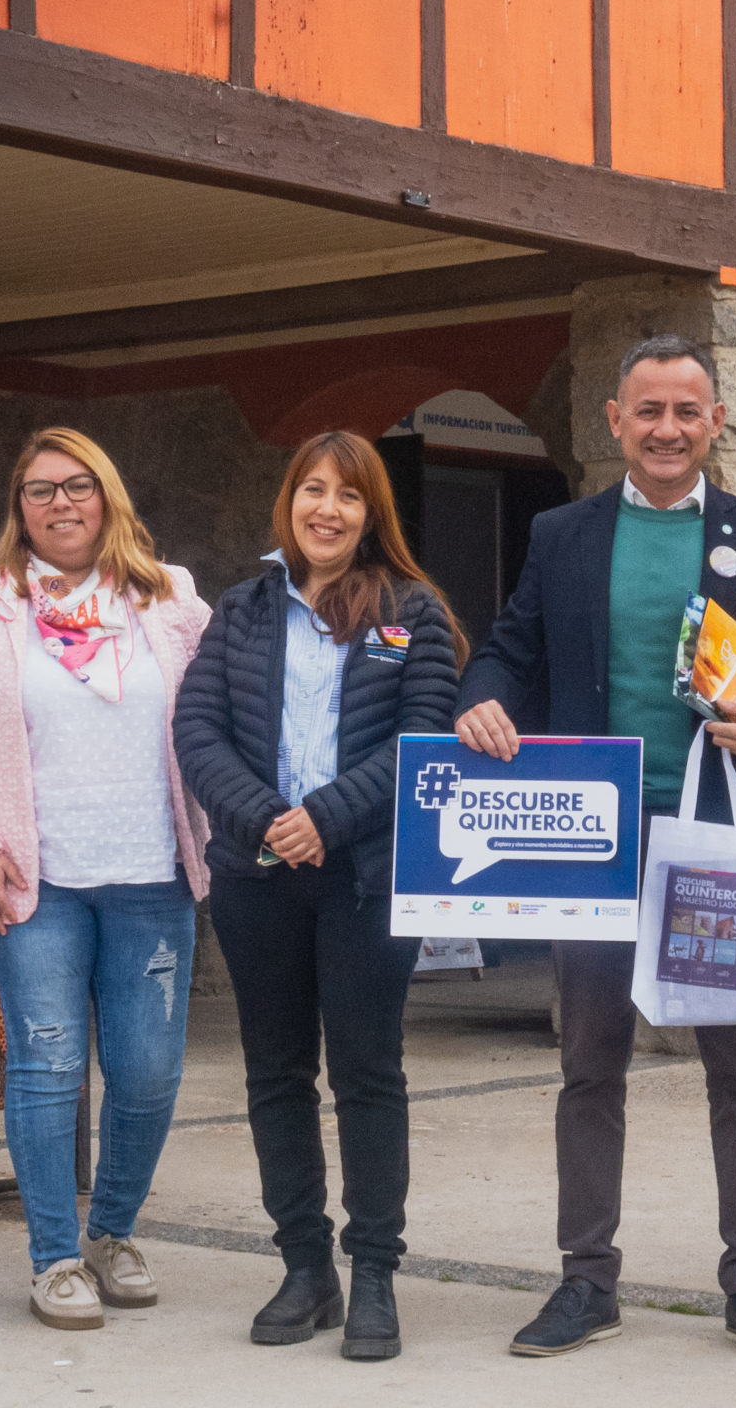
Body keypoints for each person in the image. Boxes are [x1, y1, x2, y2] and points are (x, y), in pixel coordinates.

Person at [456, 335, 736, 1366]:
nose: (666, 430)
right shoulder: (562, 534)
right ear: (616, 422)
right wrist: (481, 696)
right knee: (590, 1062)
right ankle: (587, 1280)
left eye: (686, 412)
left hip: (713, 835)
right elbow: (510, 646)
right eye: (648, 411)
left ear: (714, 423)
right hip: (594, 839)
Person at [0, 428, 212, 1331]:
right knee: (48, 1066)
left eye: (78, 487)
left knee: (149, 1073)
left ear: (108, 497)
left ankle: (111, 1233)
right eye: (40, 491)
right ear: (20, 509)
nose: (61, 504)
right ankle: (52, 1257)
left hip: (153, 873)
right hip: (32, 883)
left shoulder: (170, 601)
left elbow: (225, 707)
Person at [173, 431, 464, 1362]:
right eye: (311, 490)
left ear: (371, 512)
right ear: (288, 503)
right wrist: (266, 819)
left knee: (369, 1074)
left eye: (347, 495)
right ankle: (306, 1268)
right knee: (276, 1074)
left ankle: (375, 1268)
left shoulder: (411, 612)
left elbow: (423, 741)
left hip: (366, 878)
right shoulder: (244, 607)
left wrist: (324, 820)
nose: (326, 509)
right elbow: (196, 727)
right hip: (259, 878)